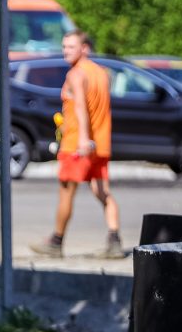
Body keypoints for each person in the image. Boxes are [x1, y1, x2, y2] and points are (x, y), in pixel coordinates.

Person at [31, 30, 125, 259]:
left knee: (66, 192)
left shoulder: (76, 74)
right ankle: (114, 240)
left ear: (84, 48)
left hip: (77, 145)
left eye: (71, 47)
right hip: (100, 143)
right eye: (64, 47)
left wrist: (82, 137)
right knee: (102, 191)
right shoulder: (101, 73)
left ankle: (56, 241)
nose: (65, 51)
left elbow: (82, 107)